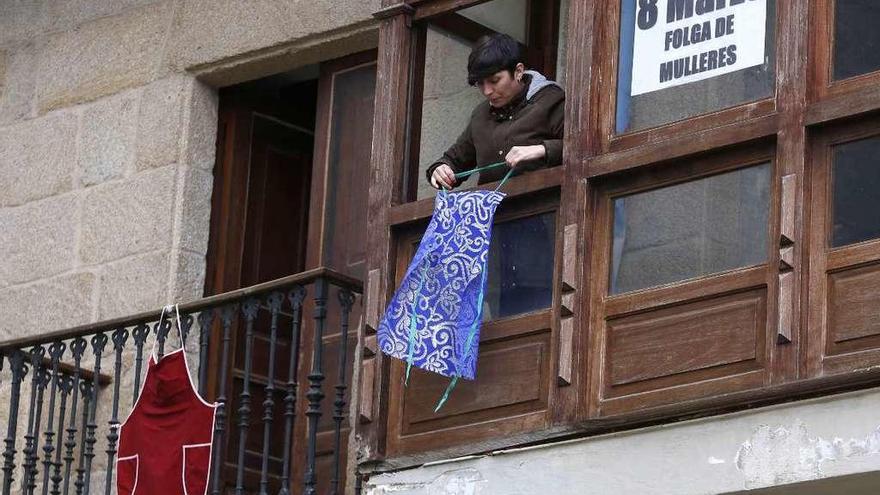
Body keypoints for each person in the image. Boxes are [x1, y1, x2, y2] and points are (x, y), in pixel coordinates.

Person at [427, 33, 565, 190]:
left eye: (494, 81)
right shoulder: (480, 114)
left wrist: (542, 150)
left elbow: (584, 149)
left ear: (518, 71)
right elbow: (456, 159)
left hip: (545, 207)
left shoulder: (549, 99)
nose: (487, 91)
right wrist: (441, 169)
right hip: (495, 211)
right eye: (480, 84)